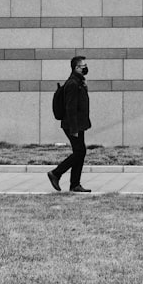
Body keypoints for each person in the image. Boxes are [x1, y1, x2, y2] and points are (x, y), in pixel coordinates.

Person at [47, 56, 92, 193]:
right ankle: (56, 173)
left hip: (79, 124)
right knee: (80, 152)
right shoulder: (73, 83)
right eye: (83, 65)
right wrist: (74, 129)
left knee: (80, 152)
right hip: (73, 125)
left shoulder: (78, 81)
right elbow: (70, 107)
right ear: (76, 68)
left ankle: (75, 185)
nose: (85, 67)